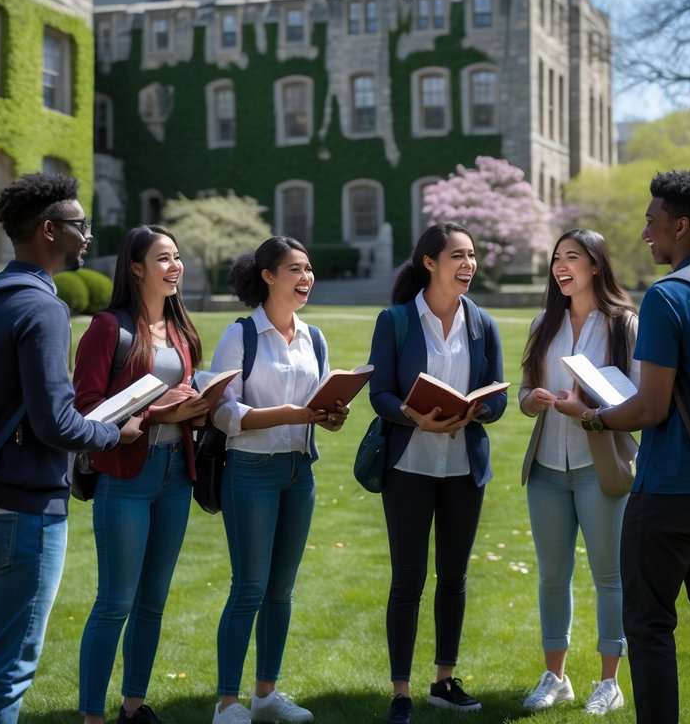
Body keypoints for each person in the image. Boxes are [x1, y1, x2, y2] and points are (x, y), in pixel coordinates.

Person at [555, 171, 690, 724]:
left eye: (651, 220)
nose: (645, 233)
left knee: (647, 624)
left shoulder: (669, 296)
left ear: (680, 225)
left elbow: (650, 407)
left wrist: (595, 418)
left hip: (671, 487)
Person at [0, 172, 142, 724]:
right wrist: (114, 433)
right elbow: (55, 423)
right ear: (50, 229)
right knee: (10, 665)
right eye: (81, 226)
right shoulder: (42, 308)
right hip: (23, 510)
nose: (89, 236)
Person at [367, 222, 508, 724]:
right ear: (430, 262)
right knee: (408, 580)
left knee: (455, 577)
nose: (469, 264)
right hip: (408, 465)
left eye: (472, 255)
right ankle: (401, 692)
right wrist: (412, 415)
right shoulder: (397, 320)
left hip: (463, 467)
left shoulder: (482, 322)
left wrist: (479, 411)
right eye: (458, 256)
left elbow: (500, 395)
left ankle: (444, 681)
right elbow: (379, 392)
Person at [73, 225, 210, 724]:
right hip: (127, 477)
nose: (176, 266)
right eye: (164, 258)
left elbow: (186, 392)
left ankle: (134, 706)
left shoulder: (180, 328)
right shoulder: (108, 327)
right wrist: (157, 414)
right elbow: (85, 408)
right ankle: (92, 715)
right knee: (115, 601)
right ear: (136, 267)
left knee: (152, 601)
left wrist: (199, 406)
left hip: (176, 474)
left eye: (178, 257)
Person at [208, 236, 348, 724]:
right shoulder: (241, 335)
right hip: (250, 471)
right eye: (295, 269)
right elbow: (222, 413)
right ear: (268, 276)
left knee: (281, 592)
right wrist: (286, 413)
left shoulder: (315, 338)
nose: (306, 278)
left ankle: (265, 696)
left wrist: (330, 416)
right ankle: (227, 702)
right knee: (248, 587)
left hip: (298, 472)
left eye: (309, 269)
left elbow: (321, 400)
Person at [518, 229, 638, 716]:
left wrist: (583, 407)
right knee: (552, 576)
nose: (561, 266)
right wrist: (532, 401)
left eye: (572, 257)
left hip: (599, 465)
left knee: (609, 576)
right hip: (546, 467)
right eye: (556, 258)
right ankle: (557, 677)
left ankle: (610, 682)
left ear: (595, 265)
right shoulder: (542, 323)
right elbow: (526, 390)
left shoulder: (623, 323)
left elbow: (636, 395)